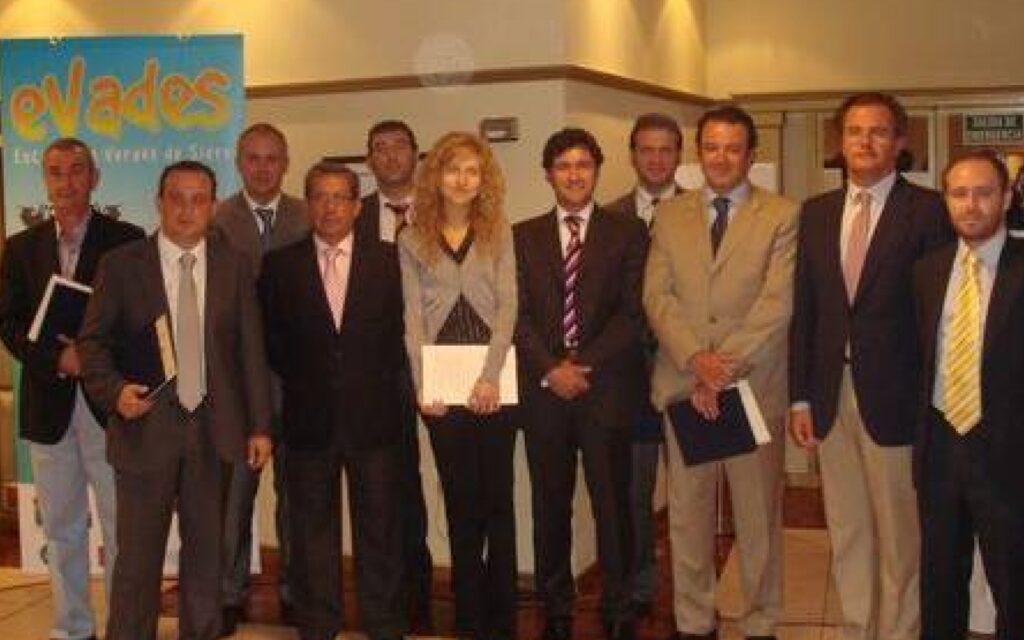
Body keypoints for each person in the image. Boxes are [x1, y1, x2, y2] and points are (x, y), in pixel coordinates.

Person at [78, 160, 273, 640]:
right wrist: (114, 392)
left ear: (213, 206)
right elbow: (92, 343)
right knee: (136, 564)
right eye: (177, 198)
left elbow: (251, 350)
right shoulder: (121, 265)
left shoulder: (233, 266)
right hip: (145, 431)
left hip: (216, 432)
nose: (187, 210)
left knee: (207, 561)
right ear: (159, 202)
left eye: (198, 199)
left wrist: (260, 426)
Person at [788, 92, 953, 640]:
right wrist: (800, 397)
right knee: (848, 528)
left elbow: (938, 315)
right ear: (840, 142)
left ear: (899, 142)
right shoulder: (815, 213)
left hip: (898, 401)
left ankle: (900, 631)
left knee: (900, 536)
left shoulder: (928, 211)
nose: (865, 141)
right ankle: (858, 628)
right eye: (854, 131)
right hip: (831, 396)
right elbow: (806, 311)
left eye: (878, 131)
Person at [643, 106, 796, 640]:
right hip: (686, 388)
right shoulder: (669, 215)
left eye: (733, 147)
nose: (721, 157)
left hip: (751, 389)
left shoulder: (782, 214)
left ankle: (760, 621)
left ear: (751, 155)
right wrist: (696, 361)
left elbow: (776, 304)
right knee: (688, 517)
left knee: (757, 519)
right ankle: (694, 621)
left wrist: (721, 369)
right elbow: (656, 296)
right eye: (711, 146)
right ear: (699, 152)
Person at [0, 137, 143, 640]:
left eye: (77, 170)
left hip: (108, 404)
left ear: (94, 178)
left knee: (122, 526)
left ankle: (124, 628)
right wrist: (58, 358)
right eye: (55, 171)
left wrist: (93, 357)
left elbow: (138, 319)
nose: (66, 181)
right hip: (48, 404)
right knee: (61, 529)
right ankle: (72, 629)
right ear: (45, 180)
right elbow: (9, 324)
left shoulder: (127, 240)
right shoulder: (21, 248)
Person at [258, 161, 406, 640]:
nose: (329, 207)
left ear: (357, 206)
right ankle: (319, 624)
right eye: (320, 197)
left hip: (375, 420)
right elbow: (271, 341)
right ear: (308, 204)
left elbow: (400, 336)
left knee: (379, 530)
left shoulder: (390, 261)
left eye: (340, 197)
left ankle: (383, 624)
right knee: (311, 533)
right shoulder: (280, 265)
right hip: (308, 420)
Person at [514, 127, 647, 640]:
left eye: (583, 165)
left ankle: (618, 604)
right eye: (564, 166)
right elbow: (517, 314)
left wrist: (580, 366)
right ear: (548, 174)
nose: (574, 175)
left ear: (597, 171)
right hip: (544, 393)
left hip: (605, 389)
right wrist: (551, 369)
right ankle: (556, 604)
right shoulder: (522, 236)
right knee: (550, 504)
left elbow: (632, 313)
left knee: (612, 504)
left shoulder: (628, 232)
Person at [399, 132, 518, 640]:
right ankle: (469, 614)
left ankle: (503, 616)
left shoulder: (498, 231)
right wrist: (423, 383)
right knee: (460, 500)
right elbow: (412, 317)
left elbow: (509, 307)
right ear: (436, 177)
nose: (462, 180)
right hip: (442, 386)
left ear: (483, 178)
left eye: (472, 170)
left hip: (496, 382)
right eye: (453, 170)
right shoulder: (411, 239)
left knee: (499, 500)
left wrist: (490, 376)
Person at [912, 150, 1024, 639]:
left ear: (1007, 197)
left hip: (1010, 454)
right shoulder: (927, 271)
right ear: (946, 200)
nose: (971, 205)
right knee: (939, 585)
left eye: (984, 193)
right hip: (941, 447)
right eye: (959, 194)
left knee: (1014, 586)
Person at [212, 122, 309, 633]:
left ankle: (296, 590)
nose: (263, 168)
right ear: (238, 163)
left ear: (286, 163)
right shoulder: (215, 219)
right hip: (237, 381)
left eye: (273, 158)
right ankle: (228, 593)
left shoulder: (309, 215)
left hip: (297, 379)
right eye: (253, 158)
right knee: (234, 494)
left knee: (298, 493)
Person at [605, 112, 685, 616]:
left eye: (666, 150)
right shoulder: (609, 217)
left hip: (687, 374)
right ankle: (639, 586)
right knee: (633, 491)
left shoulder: (703, 211)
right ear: (632, 155)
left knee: (692, 491)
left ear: (679, 156)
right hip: (630, 380)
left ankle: (691, 592)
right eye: (646, 150)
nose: (656, 159)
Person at [355, 119, 434, 625]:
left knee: (453, 475)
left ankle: (443, 587)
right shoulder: (353, 214)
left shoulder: (443, 209)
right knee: (395, 479)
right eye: (379, 149)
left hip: (440, 360)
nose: (389, 156)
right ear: (369, 160)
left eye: (399, 146)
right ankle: (401, 588)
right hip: (378, 368)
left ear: (416, 155)